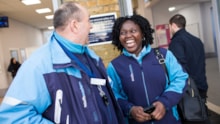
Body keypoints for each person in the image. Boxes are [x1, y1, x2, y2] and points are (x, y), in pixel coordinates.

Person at [0, 2, 125, 124]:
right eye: (88, 21)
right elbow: (14, 117)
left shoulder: (91, 57)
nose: (91, 26)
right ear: (75, 25)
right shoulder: (38, 66)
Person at [106, 14, 188, 124]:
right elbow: (112, 94)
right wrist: (130, 109)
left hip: (169, 120)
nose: (128, 36)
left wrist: (164, 103)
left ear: (143, 33)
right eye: (123, 33)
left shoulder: (164, 55)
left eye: (133, 31)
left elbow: (180, 79)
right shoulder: (115, 66)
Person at [168, 14, 210, 124]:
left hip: (189, 89)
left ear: (173, 25)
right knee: (201, 114)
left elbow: (180, 68)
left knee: (190, 117)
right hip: (201, 84)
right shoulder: (197, 40)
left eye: (169, 26)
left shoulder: (177, 42)